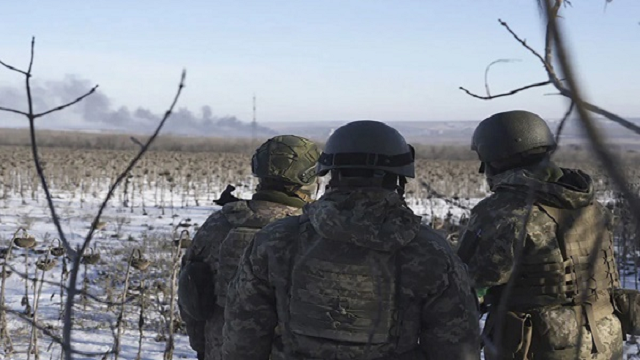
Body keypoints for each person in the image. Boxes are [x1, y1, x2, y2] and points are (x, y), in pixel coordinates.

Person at [222, 120, 481, 360]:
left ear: (329, 172)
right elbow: (456, 347)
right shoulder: (430, 252)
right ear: (398, 177)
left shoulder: (275, 240)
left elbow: (243, 336)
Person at [456, 110, 624, 360]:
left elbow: (470, 281)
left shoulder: (503, 211)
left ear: (496, 159)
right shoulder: (590, 204)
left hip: (543, 344)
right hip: (606, 337)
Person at [178, 135, 321, 360]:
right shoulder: (314, 232)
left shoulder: (220, 223)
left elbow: (191, 296)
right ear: (310, 178)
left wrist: (204, 349)